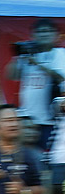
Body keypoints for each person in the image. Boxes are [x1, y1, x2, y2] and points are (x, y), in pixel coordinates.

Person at [7, 18, 65, 149]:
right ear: (33, 35)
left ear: (56, 35)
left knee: (48, 158)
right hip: (27, 119)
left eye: (47, 31)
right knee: (24, 158)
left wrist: (37, 63)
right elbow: (12, 75)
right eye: (40, 31)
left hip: (49, 120)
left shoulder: (60, 54)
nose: (43, 34)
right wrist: (17, 56)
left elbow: (61, 77)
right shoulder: (28, 52)